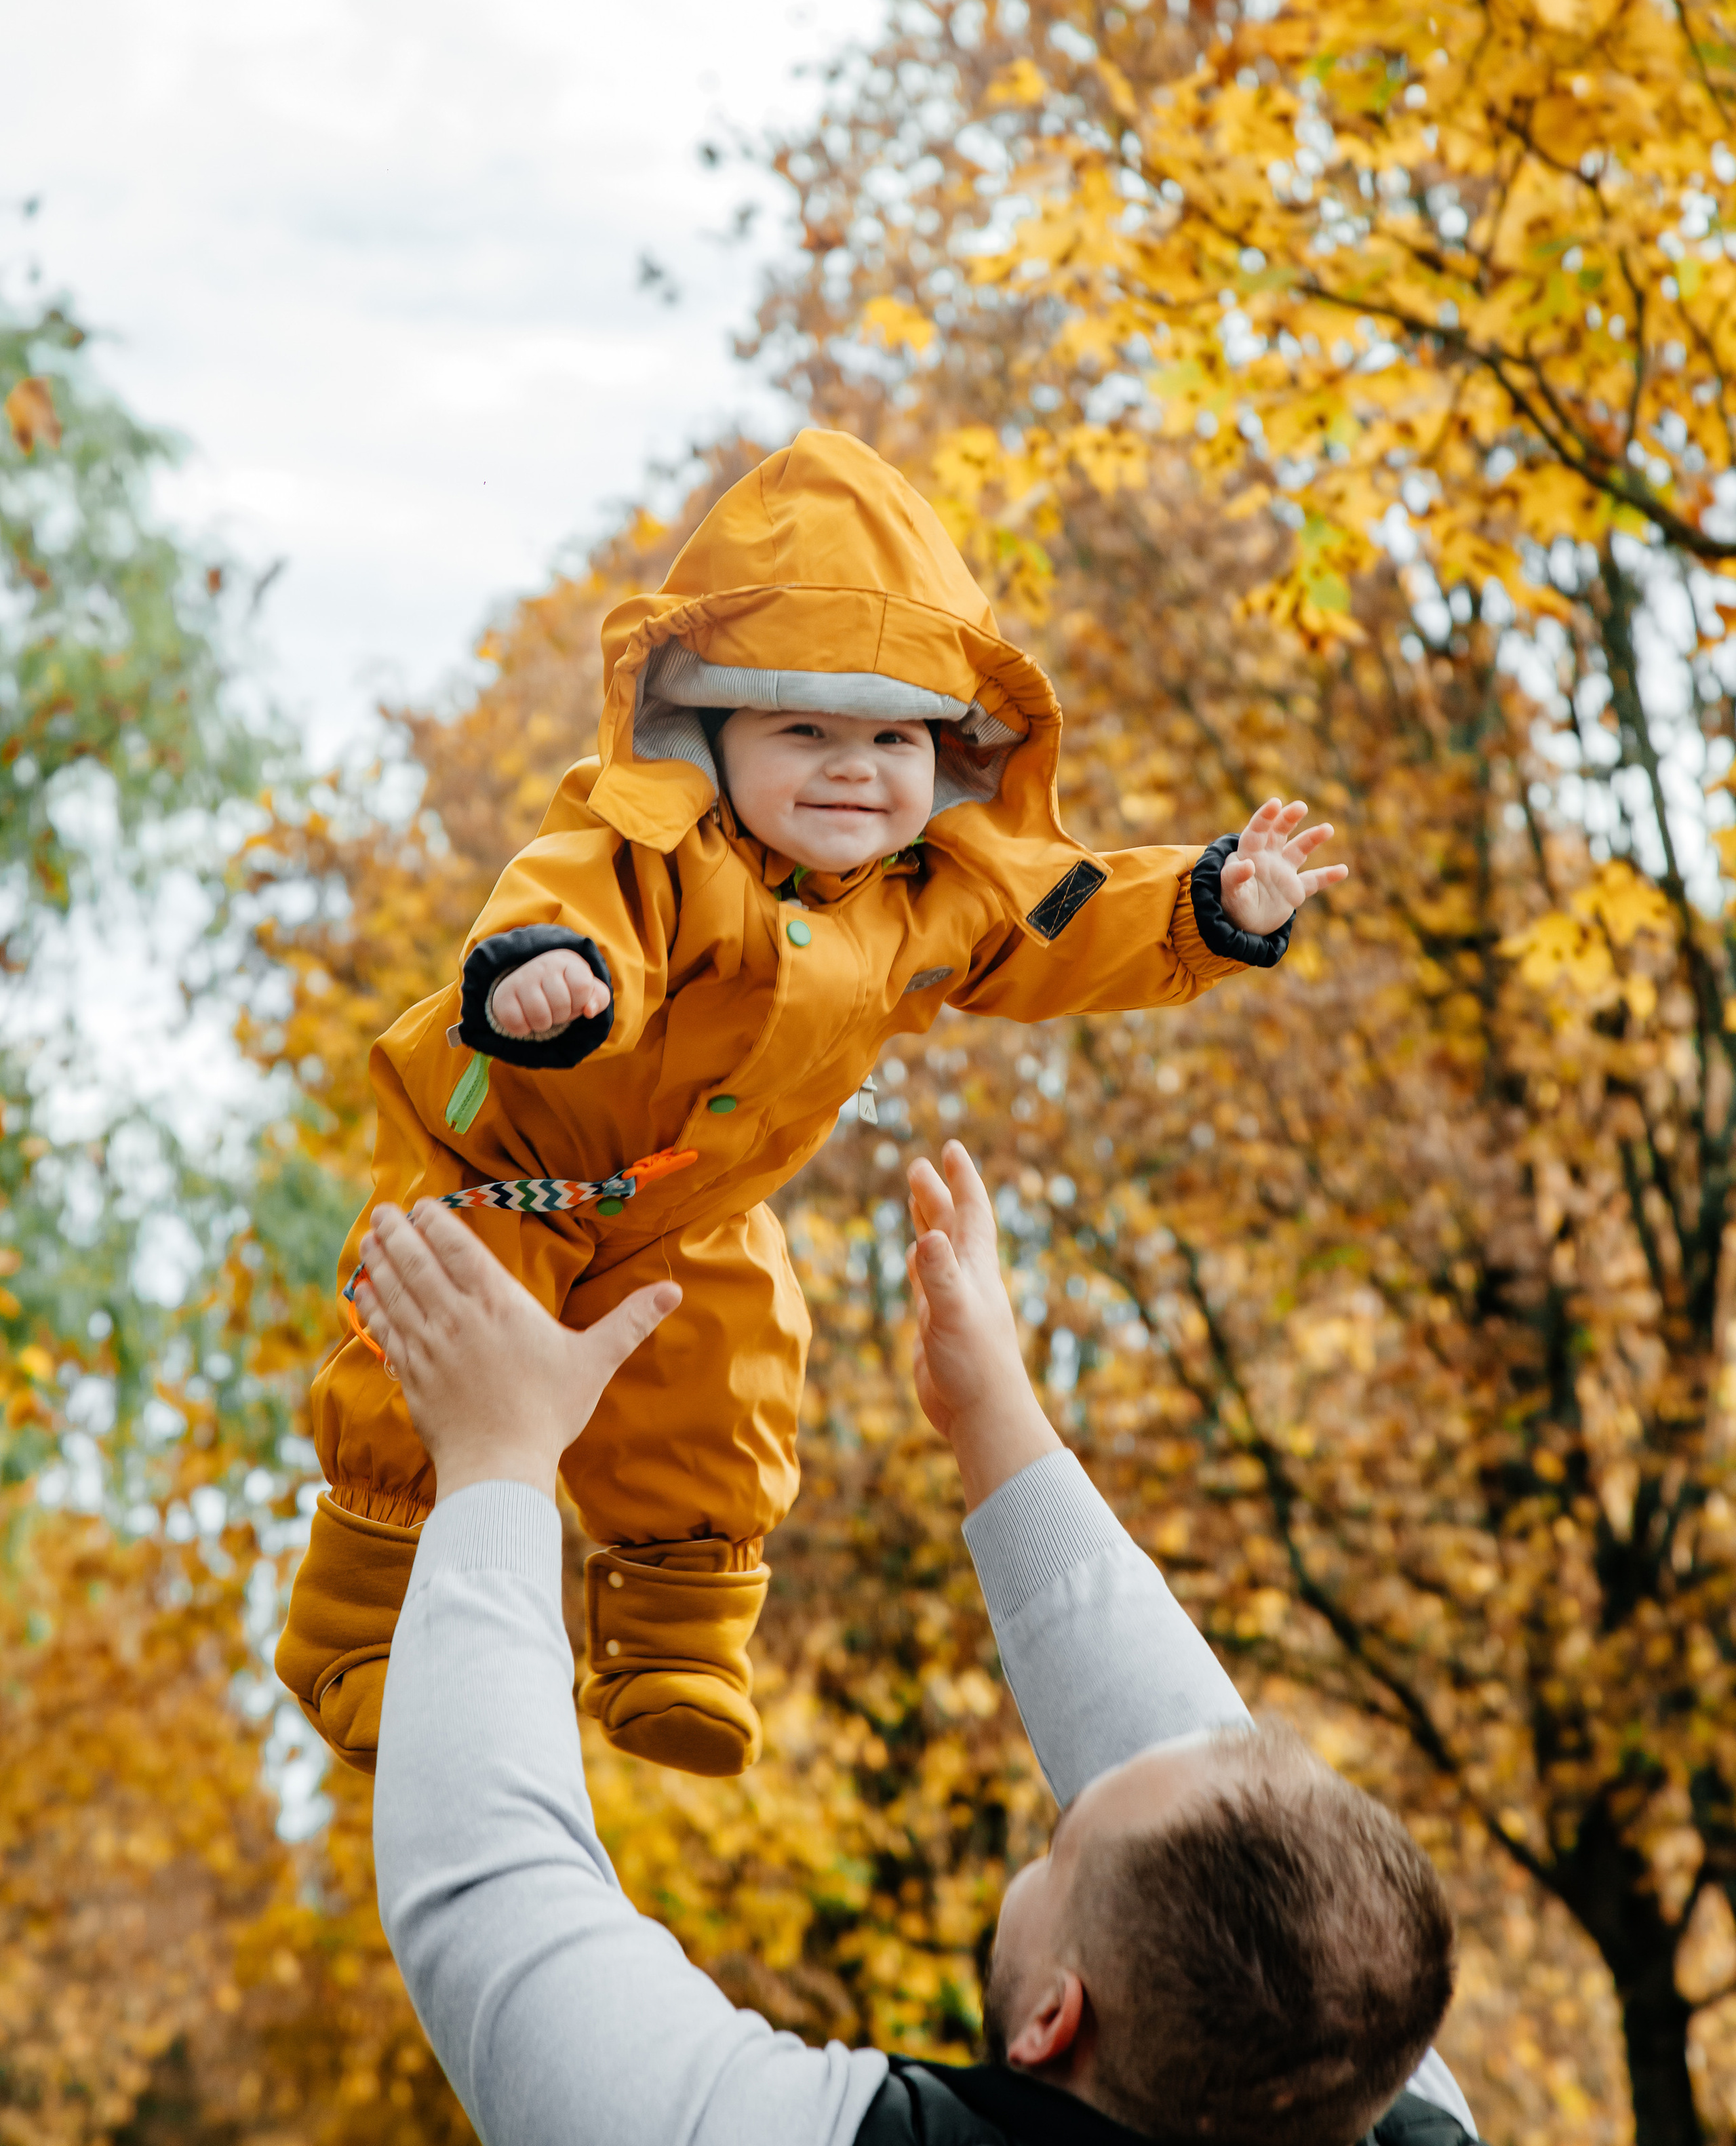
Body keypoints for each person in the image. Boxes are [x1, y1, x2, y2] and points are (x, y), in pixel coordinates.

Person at [277, 429, 1349, 1781]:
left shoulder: (934, 892)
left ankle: (673, 1641)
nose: (853, 769)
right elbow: (568, 900)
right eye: (804, 731)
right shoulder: (655, 840)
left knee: (728, 1378)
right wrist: (551, 977)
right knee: (424, 1371)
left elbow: (1065, 917)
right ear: (711, 731)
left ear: (947, 754)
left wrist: (1208, 905)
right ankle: (368, 1636)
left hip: (689, 1206)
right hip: (509, 1169)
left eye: (890, 738)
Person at [355, 1139, 1478, 2146]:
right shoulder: (1355, 2074)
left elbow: (494, 1890)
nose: (1077, 1793)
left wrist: (496, 1453)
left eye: (1065, 1838)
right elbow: (1240, 1836)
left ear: (1052, 2020)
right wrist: (996, 1413)